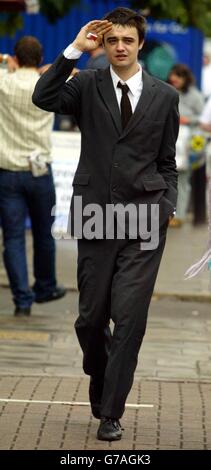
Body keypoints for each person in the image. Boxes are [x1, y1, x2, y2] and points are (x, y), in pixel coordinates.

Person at [32, 7, 179, 441]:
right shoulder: (88, 83)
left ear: (140, 45)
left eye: (127, 41)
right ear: (105, 42)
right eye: (112, 40)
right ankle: (101, 378)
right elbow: (43, 97)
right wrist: (75, 49)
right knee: (90, 320)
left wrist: (167, 204)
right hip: (97, 215)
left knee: (129, 317)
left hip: (145, 219)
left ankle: (111, 411)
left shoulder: (165, 96)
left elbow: (167, 161)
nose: (119, 47)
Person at [0, 37, 66, 317]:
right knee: (43, 234)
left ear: (16, 56)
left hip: (7, 170)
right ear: (39, 59)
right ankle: (45, 286)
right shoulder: (46, 84)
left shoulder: (3, 82)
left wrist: (5, 62)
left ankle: (22, 300)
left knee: (13, 237)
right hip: (40, 171)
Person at [167, 64, 204, 227]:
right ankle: (167, 213)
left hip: (188, 141)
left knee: (182, 180)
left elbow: (204, 119)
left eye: (178, 76)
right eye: (173, 76)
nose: (175, 80)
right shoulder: (167, 91)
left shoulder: (195, 96)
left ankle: (179, 215)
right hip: (170, 140)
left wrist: (188, 120)